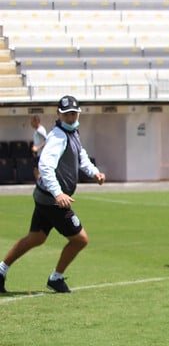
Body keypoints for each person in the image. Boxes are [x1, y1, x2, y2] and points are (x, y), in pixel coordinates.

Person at [0, 95, 105, 294]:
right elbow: (45, 166)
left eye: (73, 114)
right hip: (52, 200)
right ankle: (56, 278)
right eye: (66, 115)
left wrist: (94, 172)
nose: (71, 118)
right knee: (80, 239)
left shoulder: (73, 132)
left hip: (44, 196)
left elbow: (81, 155)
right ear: (58, 114)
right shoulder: (58, 136)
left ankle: (0, 270)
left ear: (78, 113)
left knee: (36, 237)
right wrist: (58, 194)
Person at [30, 114, 48, 180]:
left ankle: (40, 184)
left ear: (36, 121)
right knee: (36, 170)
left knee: (37, 170)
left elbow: (46, 141)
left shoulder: (40, 130)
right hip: (38, 154)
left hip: (42, 154)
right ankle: (39, 184)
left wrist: (38, 148)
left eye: (32, 122)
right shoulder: (36, 130)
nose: (31, 123)